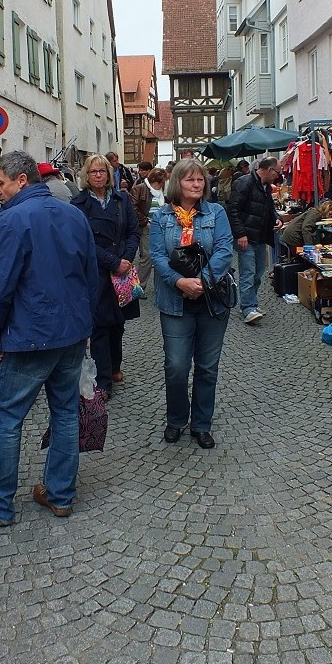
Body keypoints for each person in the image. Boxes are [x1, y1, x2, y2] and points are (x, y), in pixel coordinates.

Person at [0, 152, 98, 526]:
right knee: (65, 412)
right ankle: (59, 495)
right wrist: (85, 328)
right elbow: (90, 277)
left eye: (0, 182)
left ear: (22, 180)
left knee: (7, 417)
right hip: (70, 332)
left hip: (30, 335)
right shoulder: (74, 214)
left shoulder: (11, 219)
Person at [149, 158, 234, 448]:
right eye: (190, 180)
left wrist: (201, 282)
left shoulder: (216, 212)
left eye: (200, 180)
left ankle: (201, 424)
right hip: (174, 300)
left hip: (212, 301)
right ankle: (176, 419)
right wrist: (179, 282)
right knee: (176, 366)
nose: (197, 184)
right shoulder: (161, 217)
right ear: (178, 183)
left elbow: (225, 248)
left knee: (208, 367)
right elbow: (157, 255)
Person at [71, 155, 141, 395]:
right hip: (96, 272)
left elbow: (133, 232)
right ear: (86, 176)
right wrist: (112, 261)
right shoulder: (77, 205)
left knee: (118, 324)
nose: (98, 175)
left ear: (109, 175)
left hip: (122, 272)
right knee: (100, 326)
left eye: (102, 171)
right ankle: (103, 382)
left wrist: (127, 259)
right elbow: (82, 240)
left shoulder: (122, 200)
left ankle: (114, 367)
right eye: (93, 172)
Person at [227, 158, 281, 324]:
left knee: (258, 272)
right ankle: (248, 307)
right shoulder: (244, 183)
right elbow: (233, 210)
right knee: (248, 272)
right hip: (247, 236)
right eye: (278, 172)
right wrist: (241, 234)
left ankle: (252, 303)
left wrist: (277, 219)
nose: (278, 176)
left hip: (260, 235)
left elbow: (269, 208)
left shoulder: (265, 187)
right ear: (270, 170)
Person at [129, 167, 166, 286]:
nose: (162, 185)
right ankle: (140, 286)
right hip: (146, 227)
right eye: (161, 182)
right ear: (155, 181)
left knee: (159, 255)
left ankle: (157, 285)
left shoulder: (159, 191)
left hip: (160, 226)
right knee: (147, 257)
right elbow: (133, 207)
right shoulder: (140, 188)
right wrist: (145, 221)